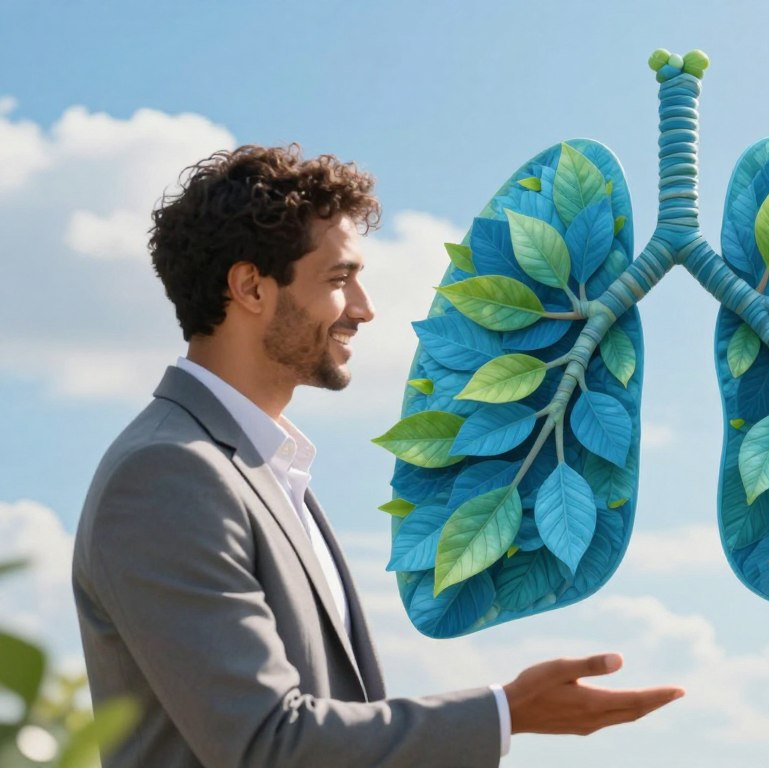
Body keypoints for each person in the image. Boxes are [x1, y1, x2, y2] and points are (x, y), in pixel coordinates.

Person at [72, 145, 683, 768]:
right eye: (339, 280)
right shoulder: (167, 475)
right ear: (251, 287)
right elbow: (262, 743)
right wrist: (506, 713)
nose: (364, 309)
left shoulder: (263, 471)